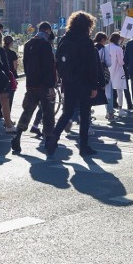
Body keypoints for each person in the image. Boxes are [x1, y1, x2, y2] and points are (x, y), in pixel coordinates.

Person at [46, 11, 103, 157]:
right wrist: (94, 85)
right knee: (84, 115)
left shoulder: (64, 39)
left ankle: (54, 136)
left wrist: (63, 78)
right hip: (84, 83)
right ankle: (84, 146)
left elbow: (58, 61)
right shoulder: (86, 41)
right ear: (87, 25)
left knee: (67, 113)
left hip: (69, 82)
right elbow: (92, 65)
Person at [11, 22, 57, 154]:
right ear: (48, 31)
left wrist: (29, 81)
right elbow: (49, 67)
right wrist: (51, 86)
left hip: (31, 84)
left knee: (28, 110)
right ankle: (48, 139)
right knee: (48, 112)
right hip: (44, 84)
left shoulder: (28, 44)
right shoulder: (45, 45)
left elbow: (25, 64)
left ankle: (17, 135)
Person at [0, 29, 16, 131]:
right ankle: (8, 125)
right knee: (5, 103)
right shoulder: (1, 50)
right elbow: (6, 67)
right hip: (1, 80)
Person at [104, 32, 126, 117]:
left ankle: (108, 111)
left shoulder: (106, 47)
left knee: (107, 92)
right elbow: (121, 62)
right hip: (117, 71)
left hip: (107, 71)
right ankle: (120, 109)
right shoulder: (119, 49)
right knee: (119, 90)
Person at [3, 35, 19, 113]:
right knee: (10, 98)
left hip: (1, 76)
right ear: (11, 43)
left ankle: (0, 114)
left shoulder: (0, 51)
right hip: (10, 77)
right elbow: (15, 67)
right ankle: (7, 116)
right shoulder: (13, 53)